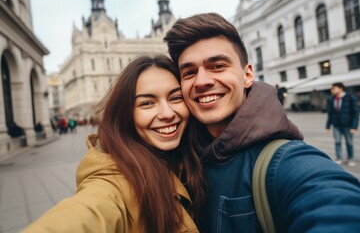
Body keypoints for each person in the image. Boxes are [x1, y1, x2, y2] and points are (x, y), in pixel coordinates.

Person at [164, 12, 360, 232]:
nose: (201, 81)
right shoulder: (180, 155)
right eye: (189, 72)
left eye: (217, 66)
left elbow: (334, 203)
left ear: (247, 75)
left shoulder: (284, 161)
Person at [23, 55, 206, 233]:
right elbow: (90, 212)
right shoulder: (114, 180)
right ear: (125, 114)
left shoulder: (195, 157)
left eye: (175, 98)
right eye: (147, 103)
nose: (167, 113)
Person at [326, 82, 359, 166]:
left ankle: (350, 158)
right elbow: (330, 113)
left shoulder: (350, 97)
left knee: (349, 143)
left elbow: (355, 113)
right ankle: (339, 157)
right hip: (336, 125)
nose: (332, 90)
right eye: (331, 89)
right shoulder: (331, 99)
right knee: (337, 142)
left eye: (334, 88)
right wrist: (328, 126)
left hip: (348, 125)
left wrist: (354, 126)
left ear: (341, 88)